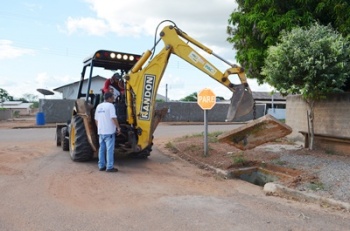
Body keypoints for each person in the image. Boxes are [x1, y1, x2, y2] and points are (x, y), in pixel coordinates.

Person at [94, 92, 121, 172]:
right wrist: (118, 127)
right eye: (112, 97)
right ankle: (109, 167)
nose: (113, 99)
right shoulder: (111, 106)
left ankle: (101, 166)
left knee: (101, 149)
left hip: (101, 132)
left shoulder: (99, 106)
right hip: (109, 132)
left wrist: (99, 128)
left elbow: (96, 119)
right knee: (109, 150)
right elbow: (113, 117)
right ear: (109, 98)